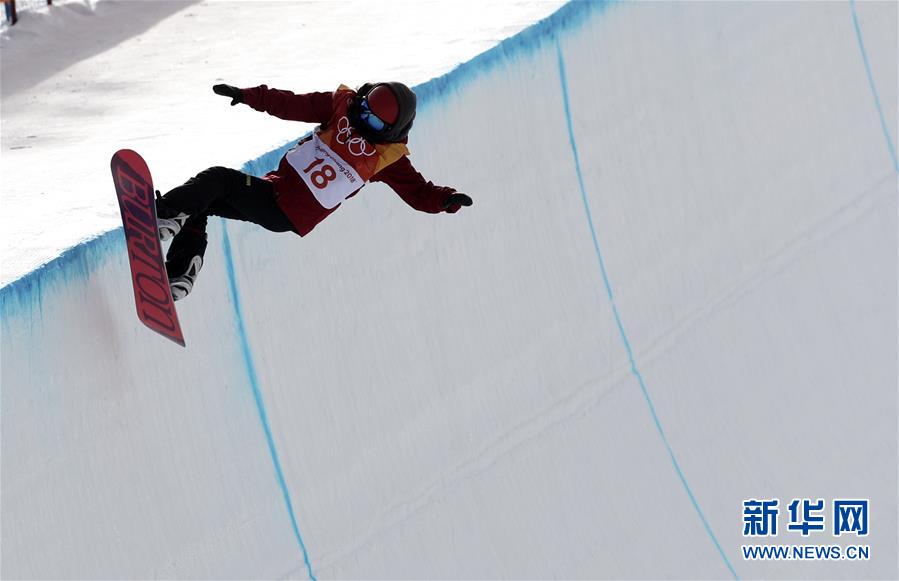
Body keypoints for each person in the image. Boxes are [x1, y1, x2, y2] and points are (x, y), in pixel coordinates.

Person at [156, 81, 473, 300]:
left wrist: (445, 199)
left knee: (217, 179)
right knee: (205, 202)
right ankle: (180, 274)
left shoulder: (386, 158)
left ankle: (164, 216)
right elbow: (293, 104)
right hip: (278, 198)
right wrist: (248, 95)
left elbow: (418, 192)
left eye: (375, 125)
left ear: (391, 132)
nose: (362, 123)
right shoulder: (341, 108)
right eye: (363, 112)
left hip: (282, 205)